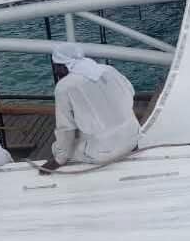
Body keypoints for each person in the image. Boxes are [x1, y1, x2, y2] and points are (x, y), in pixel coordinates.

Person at [40, 43, 139, 171]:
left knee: (57, 148)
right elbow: (130, 92)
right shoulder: (108, 69)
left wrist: (59, 160)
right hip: (133, 138)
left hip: (105, 152)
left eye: (56, 66)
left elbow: (66, 129)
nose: (55, 71)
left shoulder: (64, 87)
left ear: (62, 65)